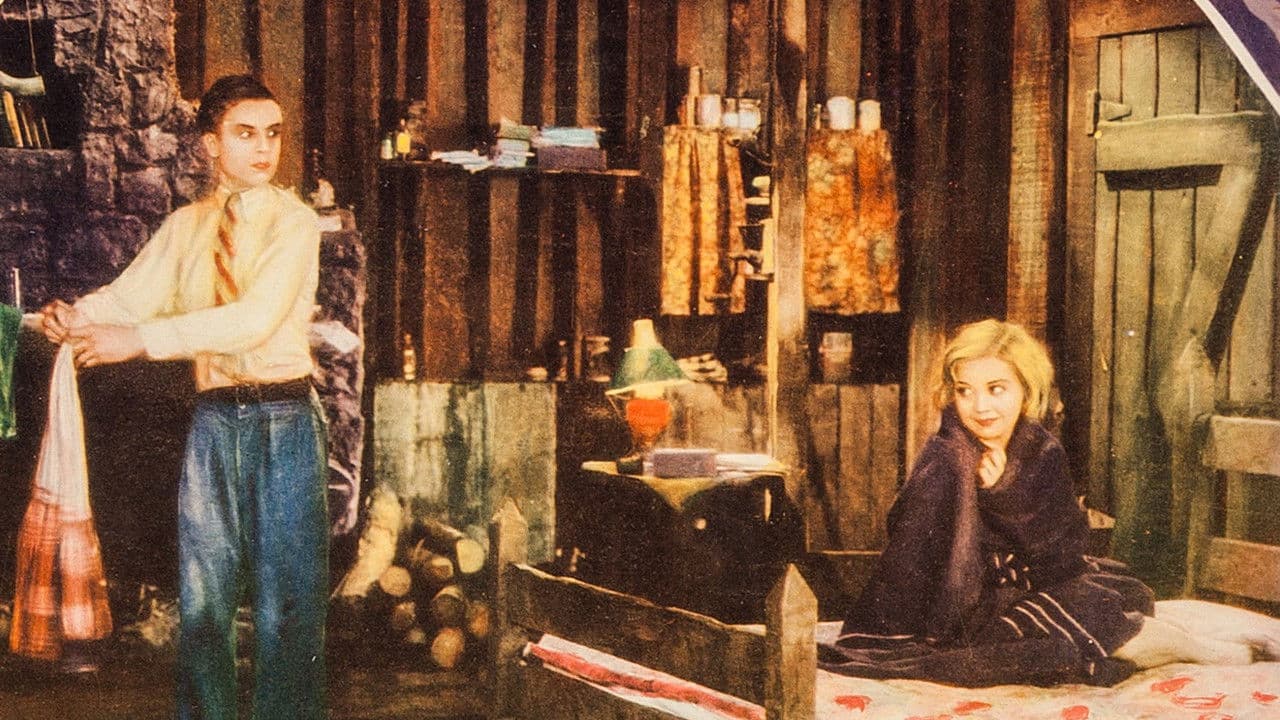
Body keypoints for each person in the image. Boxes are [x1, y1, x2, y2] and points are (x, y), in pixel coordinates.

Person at [39, 74, 327, 719]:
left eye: (273, 134)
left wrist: (137, 341)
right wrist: (72, 316)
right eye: (245, 134)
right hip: (214, 421)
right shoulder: (186, 226)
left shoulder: (295, 223)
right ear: (210, 144)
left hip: (283, 419)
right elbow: (127, 298)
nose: (264, 149)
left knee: (287, 612)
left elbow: (252, 320)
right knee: (202, 606)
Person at [821, 319, 1258, 686]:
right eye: (965, 390)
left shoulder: (1040, 450)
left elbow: (1064, 557)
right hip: (963, 609)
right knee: (1081, 626)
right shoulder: (947, 459)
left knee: (1115, 594)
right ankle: (1206, 652)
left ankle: (1199, 648)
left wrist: (1005, 496)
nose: (980, 406)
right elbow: (912, 556)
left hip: (1033, 584)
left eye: (996, 389)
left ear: (1024, 390)